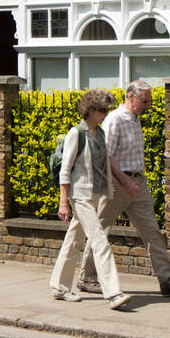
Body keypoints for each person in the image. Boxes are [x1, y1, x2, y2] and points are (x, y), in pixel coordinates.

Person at [77, 80, 170, 297]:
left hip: (137, 182)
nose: (147, 104)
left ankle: (167, 279)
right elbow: (106, 156)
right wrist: (123, 183)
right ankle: (87, 278)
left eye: (149, 100)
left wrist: (134, 182)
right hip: (118, 185)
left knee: (152, 231)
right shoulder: (115, 120)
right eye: (144, 100)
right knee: (99, 230)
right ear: (130, 96)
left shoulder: (134, 119)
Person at [49, 89, 142, 311]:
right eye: (102, 110)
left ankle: (59, 287)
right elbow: (65, 170)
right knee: (99, 240)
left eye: (107, 109)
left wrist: (125, 184)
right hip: (79, 196)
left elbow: (106, 166)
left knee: (73, 240)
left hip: (94, 195)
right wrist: (64, 202)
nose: (105, 113)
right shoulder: (76, 133)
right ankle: (114, 293)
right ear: (89, 110)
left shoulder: (99, 134)